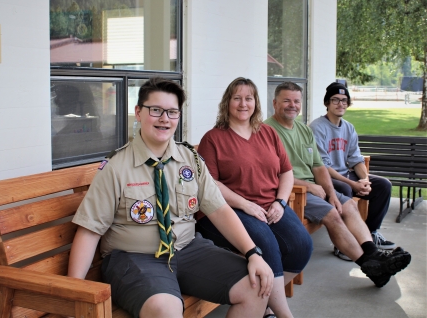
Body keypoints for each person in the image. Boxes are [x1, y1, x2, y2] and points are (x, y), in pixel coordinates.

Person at [68, 77, 273, 318]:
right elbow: (90, 230)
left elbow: (219, 210)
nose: (165, 118)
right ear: (139, 112)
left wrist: (253, 253)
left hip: (188, 250)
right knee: (166, 309)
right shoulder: (116, 167)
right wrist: (74, 294)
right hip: (135, 258)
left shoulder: (190, 159)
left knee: (257, 284)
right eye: (156, 110)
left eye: (172, 112)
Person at [265, 81, 411, 288]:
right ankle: (369, 265)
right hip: (291, 192)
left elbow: (319, 167)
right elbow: (271, 175)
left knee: (348, 205)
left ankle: (374, 257)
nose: (292, 105)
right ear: (274, 103)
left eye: (296, 101)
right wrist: (308, 187)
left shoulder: (303, 130)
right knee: (333, 214)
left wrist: (331, 192)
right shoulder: (266, 131)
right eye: (286, 100)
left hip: (315, 188)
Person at [196, 77, 313, 318]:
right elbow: (211, 184)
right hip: (226, 209)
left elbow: (286, 172)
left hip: (269, 205)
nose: (243, 103)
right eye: (237, 98)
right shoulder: (213, 138)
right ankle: (283, 314)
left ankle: (265, 304)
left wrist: (281, 202)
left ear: (256, 103)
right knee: (265, 243)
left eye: (248, 98)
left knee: (301, 245)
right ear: (227, 102)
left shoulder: (268, 133)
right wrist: (245, 205)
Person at [309, 82, 395, 262]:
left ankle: (370, 234)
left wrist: (364, 180)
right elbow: (323, 166)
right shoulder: (318, 127)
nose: (340, 104)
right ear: (327, 103)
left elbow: (356, 159)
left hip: (346, 175)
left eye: (344, 101)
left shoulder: (348, 127)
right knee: (345, 191)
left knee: (383, 185)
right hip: (326, 178)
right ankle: (343, 246)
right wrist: (353, 184)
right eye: (335, 100)